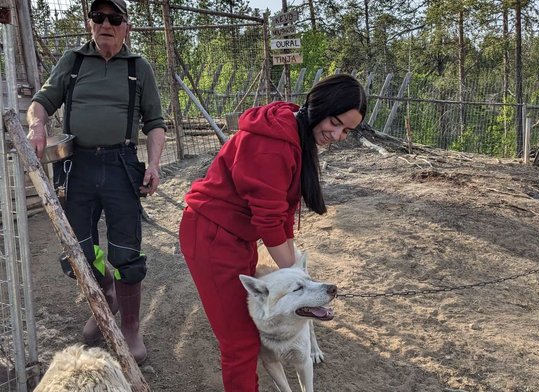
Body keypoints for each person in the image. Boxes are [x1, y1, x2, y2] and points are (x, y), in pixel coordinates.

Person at [178, 73, 367, 391]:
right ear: (317, 105)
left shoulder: (296, 133)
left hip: (239, 235)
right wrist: (298, 280)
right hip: (212, 235)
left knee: (249, 330)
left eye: (347, 130)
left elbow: (282, 215)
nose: (337, 135)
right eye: (335, 123)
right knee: (240, 344)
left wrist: (299, 278)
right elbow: (268, 222)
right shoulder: (273, 142)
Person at [27, 0, 166, 364]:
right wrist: (36, 124)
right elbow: (42, 101)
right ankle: (105, 297)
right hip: (76, 167)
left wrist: (153, 163)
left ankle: (132, 328)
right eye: (98, 17)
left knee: (126, 250)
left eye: (114, 18)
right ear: (90, 23)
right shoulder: (72, 61)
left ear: (126, 26)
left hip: (121, 164)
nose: (105, 23)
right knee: (78, 249)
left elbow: (154, 121)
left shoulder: (139, 67)